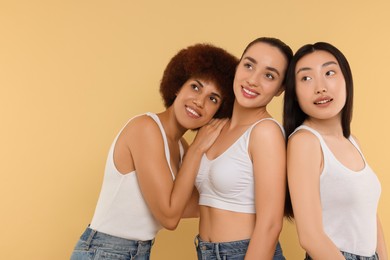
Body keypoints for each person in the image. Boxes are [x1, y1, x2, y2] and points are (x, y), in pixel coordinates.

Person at [70, 43, 238, 260]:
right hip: (105, 251)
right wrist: (197, 149)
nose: (199, 101)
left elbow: (189, 205)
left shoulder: (180, 148)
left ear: (218, 111)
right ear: (178, 86)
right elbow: (169, 217)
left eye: (213, 98)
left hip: (136, 252)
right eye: (195, 87)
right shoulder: (146, 129)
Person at [283, 42, 388, 260]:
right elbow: (310, 236)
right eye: (306, 78)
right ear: (294, 93)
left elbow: (369, 215)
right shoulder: (305, 142)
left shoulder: (352, 141)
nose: (320, 87)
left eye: (329, 72)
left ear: (346, 80)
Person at [194, 37, 293, 260]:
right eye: (248, 65)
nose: (253, 80)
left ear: (280, 89)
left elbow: (270, 224)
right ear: (238, 67)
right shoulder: (215, 127)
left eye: (269, 75)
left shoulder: (265, 132)